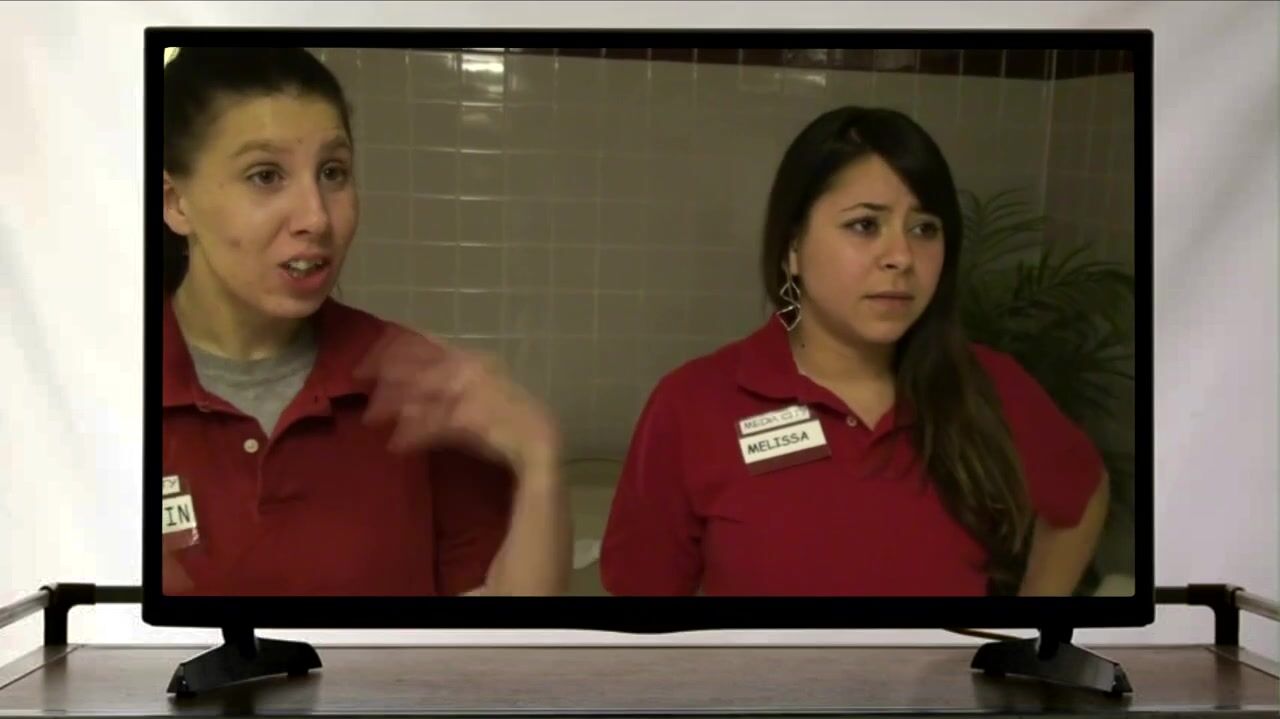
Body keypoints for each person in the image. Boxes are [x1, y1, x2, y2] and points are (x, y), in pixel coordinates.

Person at [599, 106, 1110, 597]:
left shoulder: (985, 383)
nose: (901, 257)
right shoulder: (693, 403)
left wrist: (1027, 626)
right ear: (793, 247)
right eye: (865, 225)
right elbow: (642, 600)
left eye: (924, 228)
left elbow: (1083, 494)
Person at [160, 47, 571, 596]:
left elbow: (503, 635)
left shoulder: (419, 385)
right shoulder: (102, 386)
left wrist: (541, 461)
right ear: (176, 203)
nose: (316, 217)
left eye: (333, 172)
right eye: (266, 176)